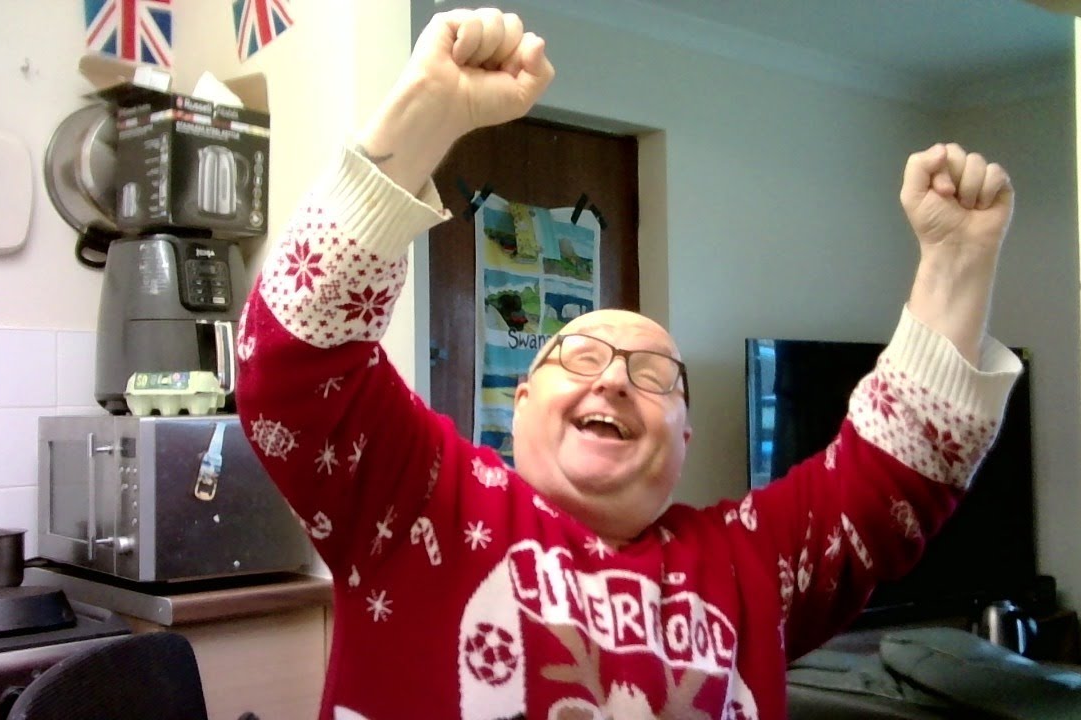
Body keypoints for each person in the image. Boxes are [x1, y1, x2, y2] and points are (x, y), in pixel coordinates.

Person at [234, 8, 1022, 719]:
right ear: (521, 400)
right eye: (579, 357)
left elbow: (893, 481)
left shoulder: (750, 563)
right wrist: (425, 116)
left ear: (684, 439)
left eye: (653, 375)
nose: (612, 379)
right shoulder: (418, 501)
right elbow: (295, 357)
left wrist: (956, 265)